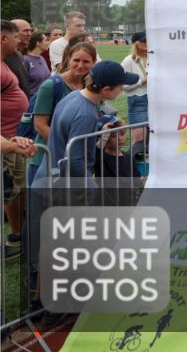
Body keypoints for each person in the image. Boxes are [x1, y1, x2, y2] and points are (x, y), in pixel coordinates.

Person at [34, 61, 137, 184]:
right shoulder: (86, 114)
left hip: (48, 176)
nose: (122, 89)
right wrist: (90, 187)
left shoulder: (73, 95)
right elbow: (75, 161)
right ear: (106, 89)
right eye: (120, 86)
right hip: (62, 187)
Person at [27, 42, 98, 187]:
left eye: (86, 62)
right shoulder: (51, 85)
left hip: (71, 162)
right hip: (46, 159)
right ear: (68, 60)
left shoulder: (89, 86)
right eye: (76, 60)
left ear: (94, 63)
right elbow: (39, 125)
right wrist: (67, 148)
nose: (80, 65)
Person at [1, 20, 30, 258]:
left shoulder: (6, 62)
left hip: (14, 138)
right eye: (15, 36)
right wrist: (8, 142)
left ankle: (18, 235)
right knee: (8, 191)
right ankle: (15, 237)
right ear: (3, 39)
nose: (19, 40)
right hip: (6, 141)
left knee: (16, 189)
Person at [121, 31, 148, 125]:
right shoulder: (128, 60)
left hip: (154, 99)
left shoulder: (153, 58)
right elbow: (122, 85)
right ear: (135, 43)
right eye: (144, 40)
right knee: (140, 133)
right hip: (137, 99)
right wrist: (141, 82)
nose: (147, 42)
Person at [22, 32, 51, 97]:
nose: (48, 43)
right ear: (38, 43)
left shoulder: (41, 58)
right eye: (46, 40)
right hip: (31, 100)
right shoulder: (25, 60)